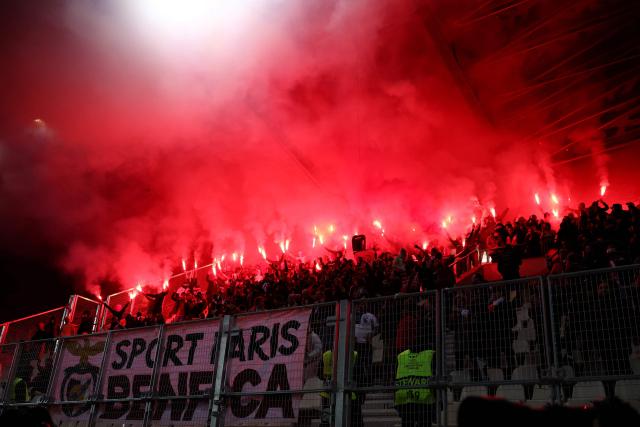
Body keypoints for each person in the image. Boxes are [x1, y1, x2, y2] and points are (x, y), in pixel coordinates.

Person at [394, 342, 436, 427]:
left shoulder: (401, 356)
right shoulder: (430, 355)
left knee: (407, 423)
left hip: (405, 399)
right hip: (424, 401)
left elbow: (395, 377)